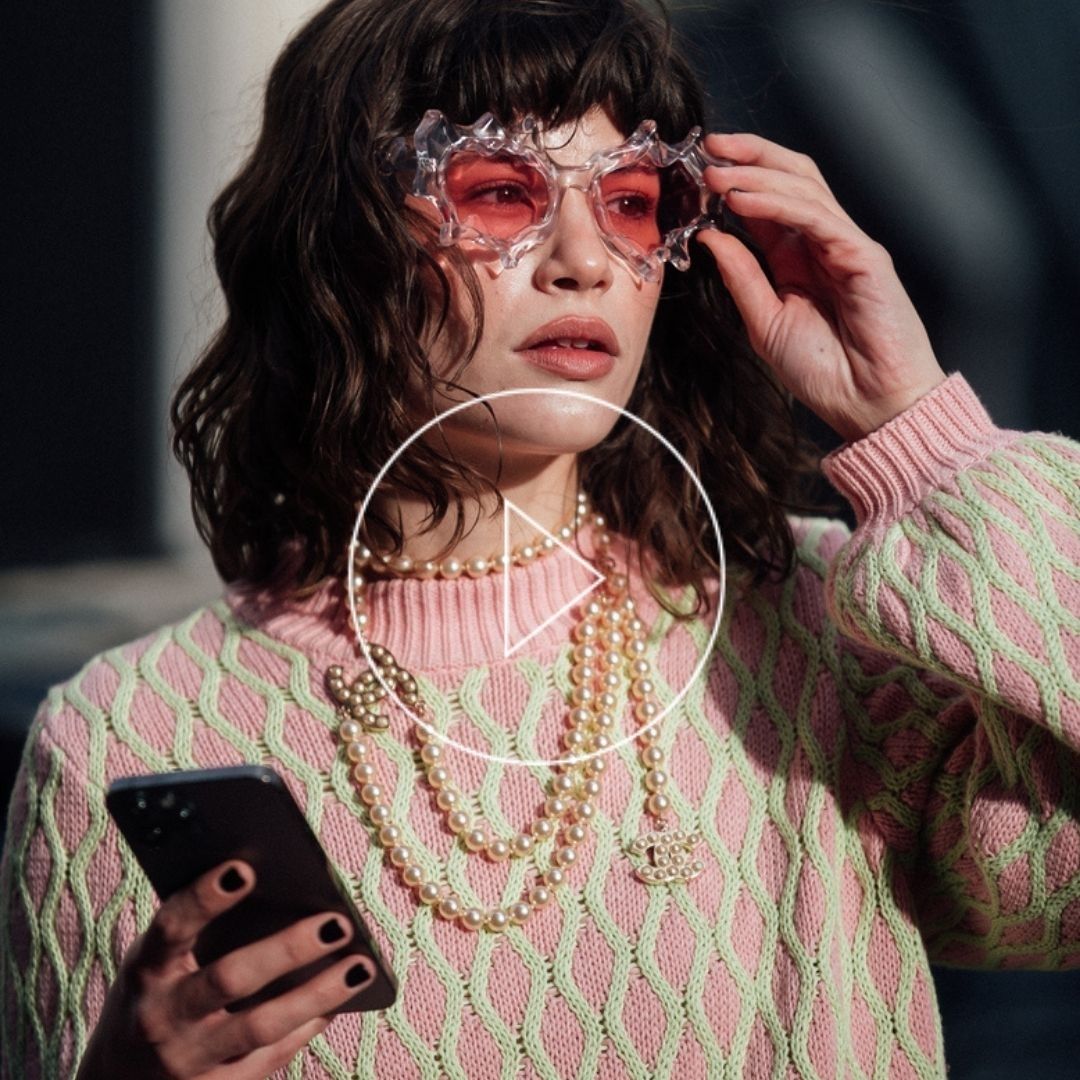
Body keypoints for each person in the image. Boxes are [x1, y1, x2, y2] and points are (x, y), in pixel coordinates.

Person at [2, 0, 1078, 1076]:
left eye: (631, 203)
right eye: (502, 192)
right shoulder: (126, 734)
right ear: (343, 246)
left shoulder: (817, 633)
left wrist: (922, 434)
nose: (584, 260)